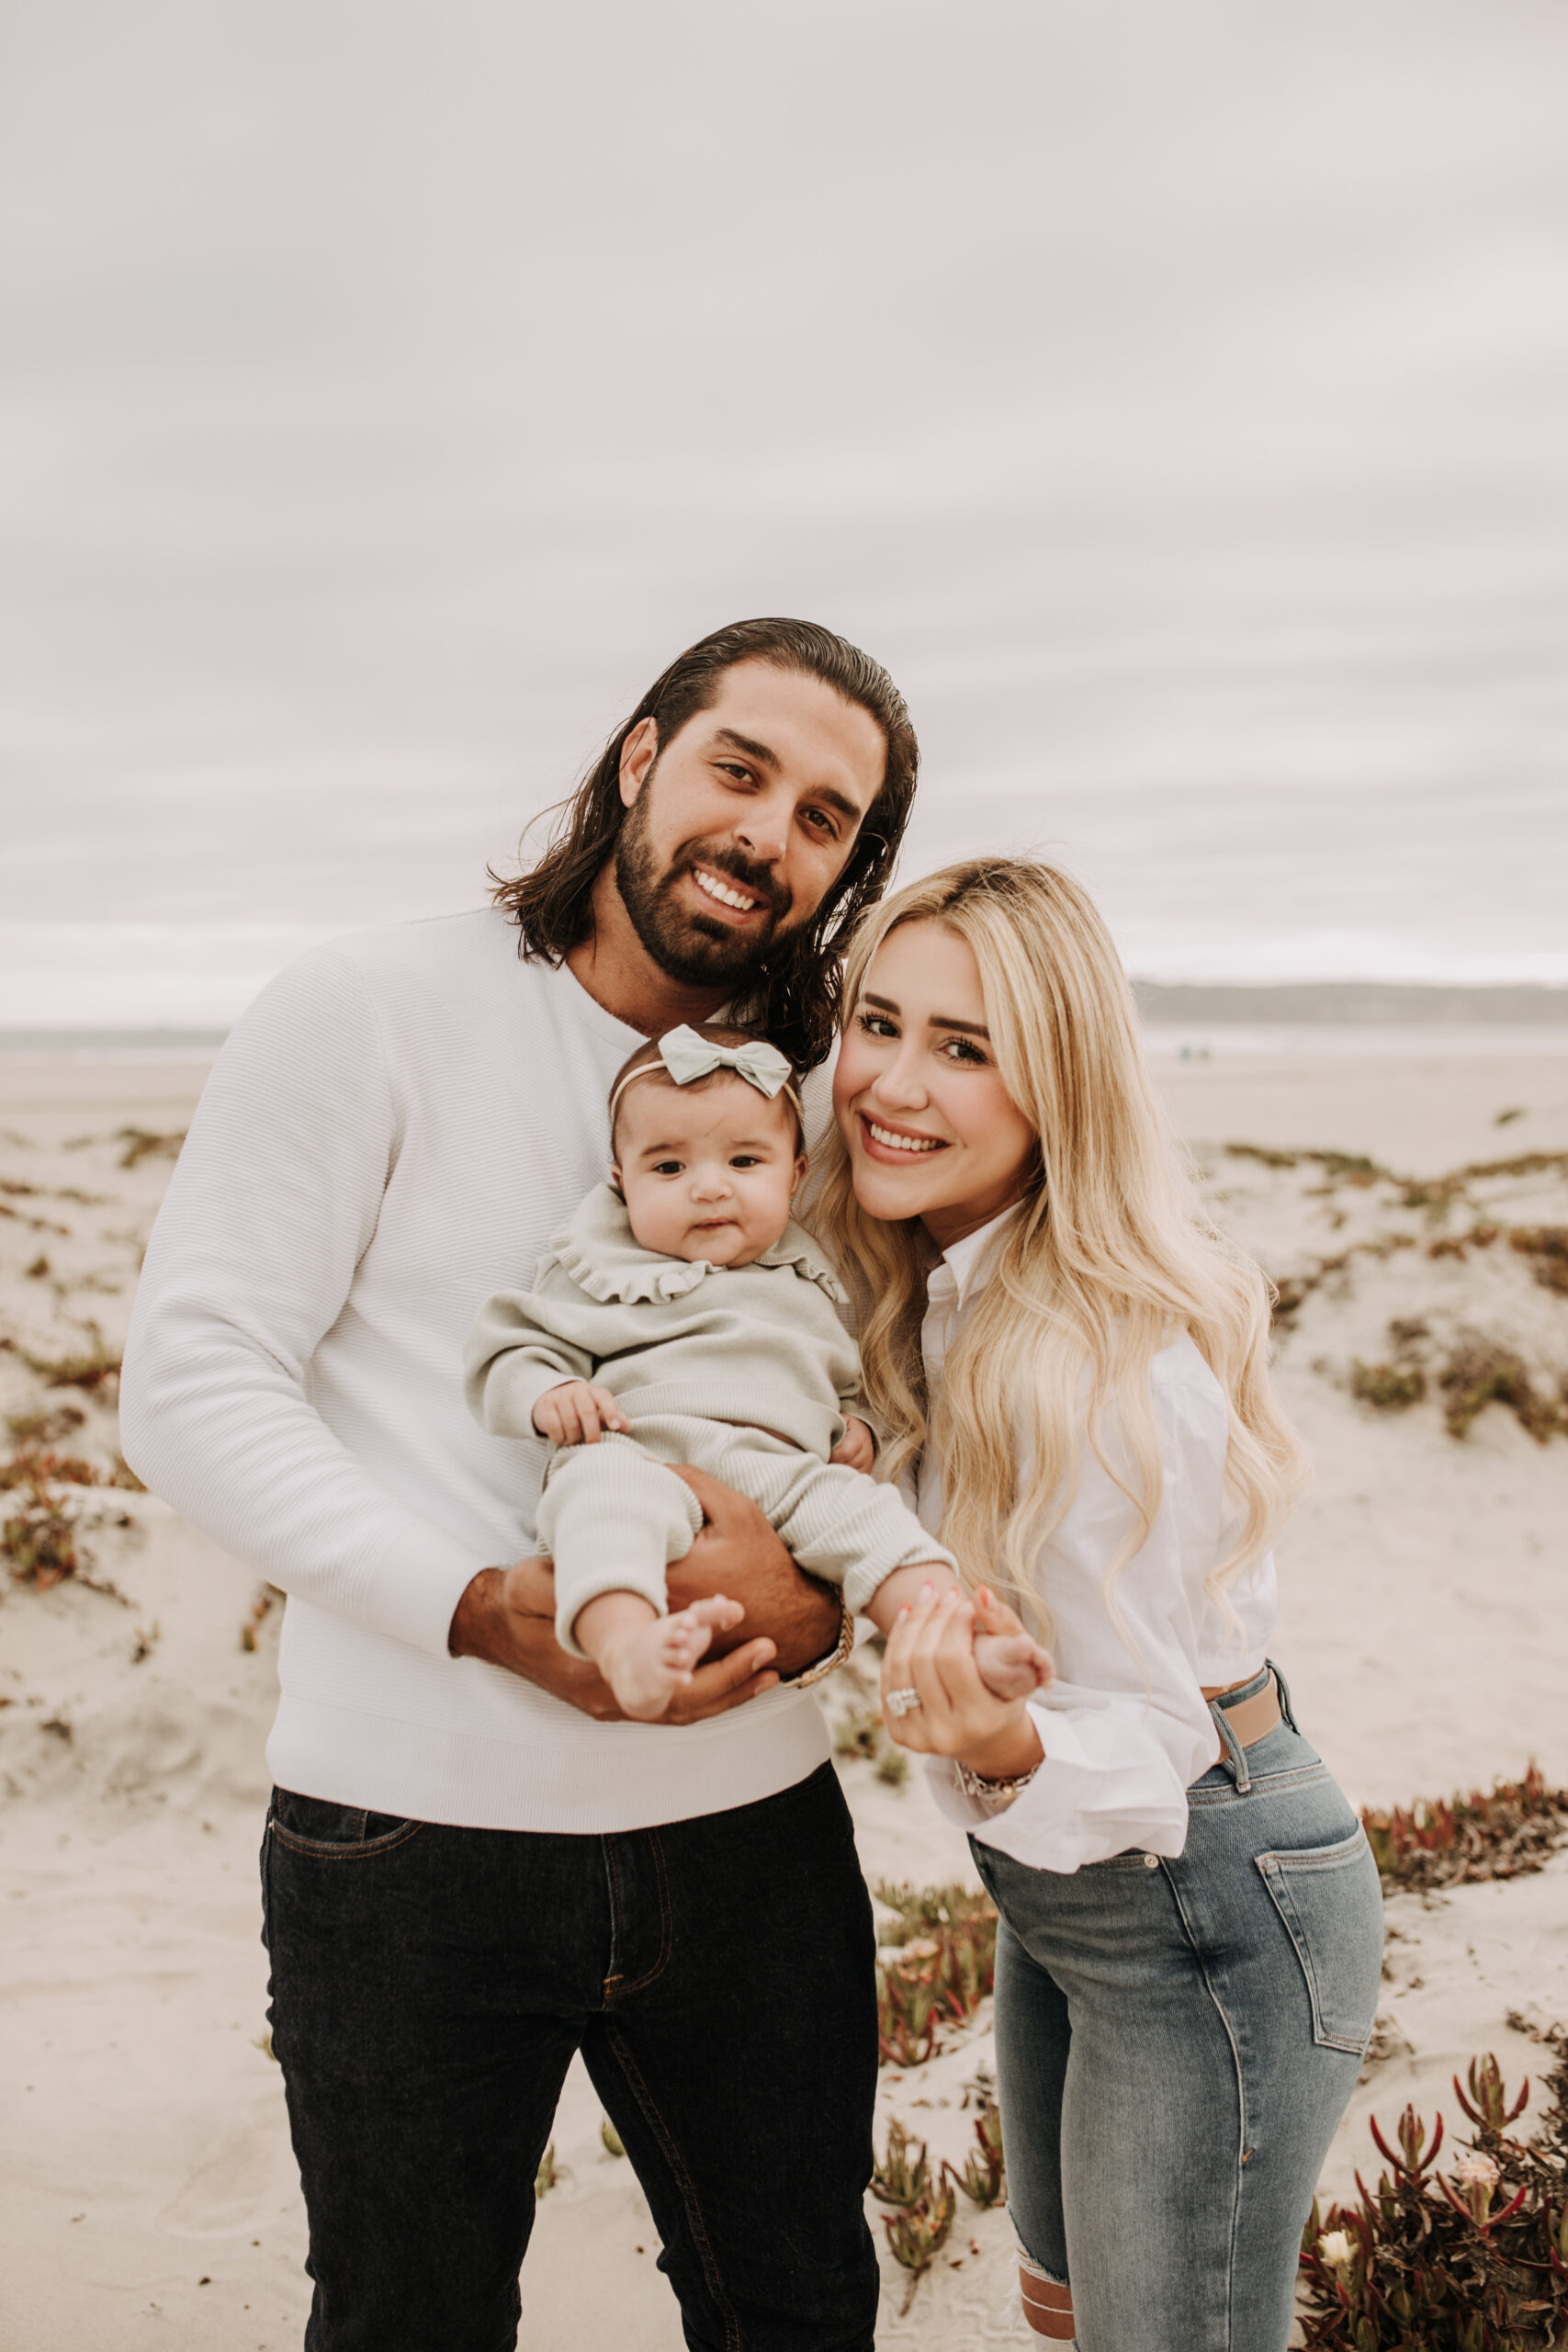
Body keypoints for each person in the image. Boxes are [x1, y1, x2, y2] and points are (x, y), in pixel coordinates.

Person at [121, 617, 933, 2352]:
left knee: (798, 2311)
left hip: (753, 1836)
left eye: (824, 820)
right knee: (410, 2322)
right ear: (638, 761)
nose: (766, 835)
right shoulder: (367, 1008)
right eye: (739, 770)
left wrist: (817, 1601)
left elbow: (882, 1390)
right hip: (405, 1843)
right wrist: (487, 1612)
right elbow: (191, 1384)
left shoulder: (826, 1102)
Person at [807, 856, 1386, 2352]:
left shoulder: (1101, 1371)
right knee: (1071, 2312)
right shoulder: (935, 1285)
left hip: (1200, 1901)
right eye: (879, 1023)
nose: (891, 1083)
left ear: (1056, 1088)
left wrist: (998, 1746)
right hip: (1058, 1910)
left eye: (964, 1047)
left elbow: (1148, 1748)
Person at [466, 1017, 1046, 1718]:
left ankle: (957, 1638)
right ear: (622, 1183)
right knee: (599, 1505)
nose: (709, 1189)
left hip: (786, 1468)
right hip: (640, 1450)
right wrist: (547, 1391)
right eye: (669, 1167)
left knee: (874, 1523)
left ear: (795, 1174)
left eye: (744, 1163)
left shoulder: (809, 1274)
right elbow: (510, 1345)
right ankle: (625, 1649)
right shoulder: (598, 1265)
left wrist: (855, 1425)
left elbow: (840, 1378)